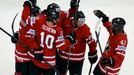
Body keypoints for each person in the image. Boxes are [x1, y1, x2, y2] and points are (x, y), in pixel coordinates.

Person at [24, 6, 76, 75]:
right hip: (49, 63)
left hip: (36, 60)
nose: (58, 19)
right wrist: (69, 40)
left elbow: (28, 35)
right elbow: (61, 46)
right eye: (57, 17)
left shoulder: (39, 20)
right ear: (54, 19)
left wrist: (36, 49)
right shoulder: (58, 30)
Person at [56, 11, 98, 75]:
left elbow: (91, 43)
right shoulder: (66, 23)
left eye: (83, 21)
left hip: (77, 60)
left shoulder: (85, 28)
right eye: (80, 21)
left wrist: (93, 54)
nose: (81, 23)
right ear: (74, 19)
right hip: (63, 57)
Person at [93, 10, 128, 75]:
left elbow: (120, 57)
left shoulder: (122, 40)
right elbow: (108, 26)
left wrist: (110, 60)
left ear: (118, 28)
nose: (111, 26)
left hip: (109, 69)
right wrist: (104, 18)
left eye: (113, 25)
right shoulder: (114, 31)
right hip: (102, 63)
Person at [11, 0, 40, 75]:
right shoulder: (33, 24)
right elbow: (27, 37)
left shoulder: (24, 21)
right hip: (25, 58)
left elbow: (23, 32)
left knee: (18, 73)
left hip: (20, 57)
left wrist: (17, 34)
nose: (39, 16)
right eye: (37, 14)